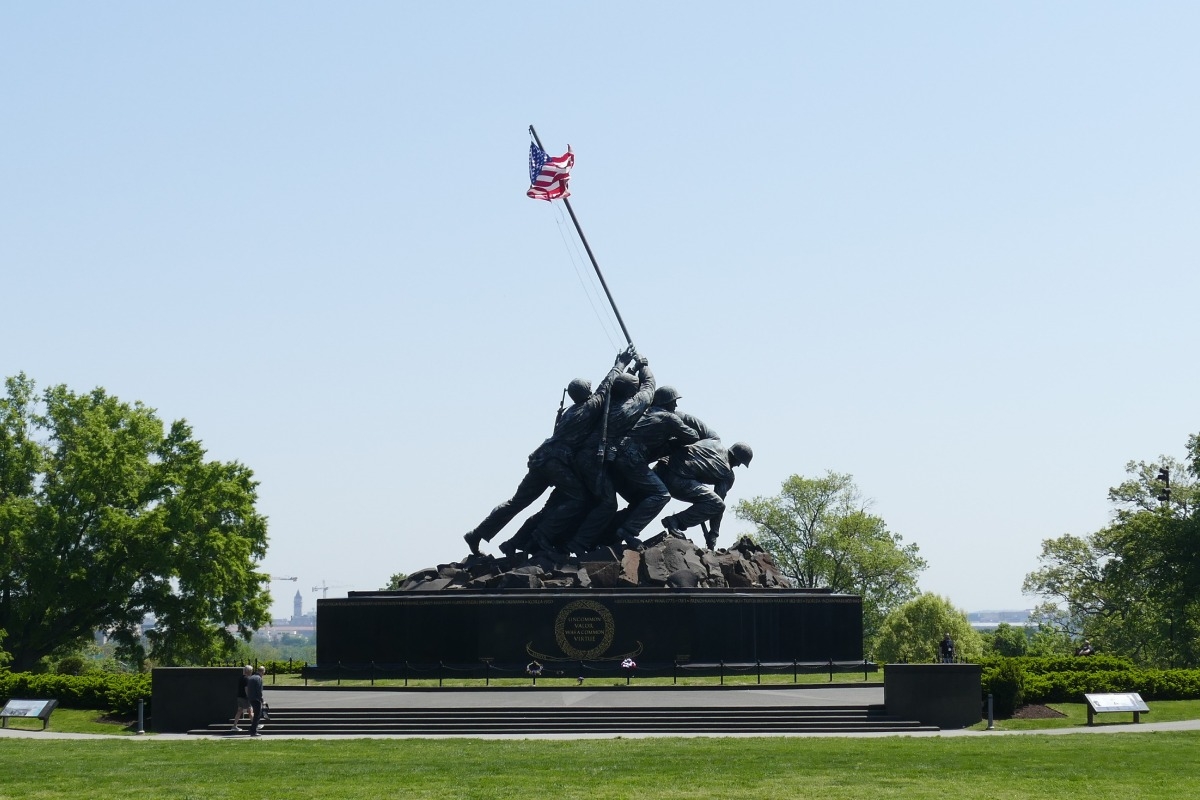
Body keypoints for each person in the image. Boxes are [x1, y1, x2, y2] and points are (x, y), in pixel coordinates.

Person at [463, 346, 635, 556]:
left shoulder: (569, 411)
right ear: (587, 393)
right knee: (578, 498)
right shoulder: (588, 408)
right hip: (557, 461)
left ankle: (477, 533)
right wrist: (620, 363)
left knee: (517, 502)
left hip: (542, 457)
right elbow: (606, 386)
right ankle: (542, 536)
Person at [656, 440, 753, 550]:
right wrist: (713, 534)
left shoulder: (713, 443)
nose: (739, 465)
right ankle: (675, 521)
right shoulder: (727, 474)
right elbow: (717, 504)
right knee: (717, 504)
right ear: (737, 459)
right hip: (676, 479)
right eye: (740, 462)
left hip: (661, 467)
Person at [231, 664, 252, 731]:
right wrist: (249, 697)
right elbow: (246, 689)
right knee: (250, 711)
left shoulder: (241, 678)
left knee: (239, 711)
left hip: (239, 697)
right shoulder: (247, 678)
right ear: (248, 671)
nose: (251, 672)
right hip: (245, 698)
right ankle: (255, 725)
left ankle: (234, 726)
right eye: (251, 671)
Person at [247, 662, 265, 737]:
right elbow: (259, 690)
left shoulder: (251, 677)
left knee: (257, 714)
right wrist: (262, 699)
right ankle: (253, 731)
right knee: (257, 715)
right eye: (264, 672)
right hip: (256, 699)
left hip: (251, 698)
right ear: (262, 671)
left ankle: (252, 728)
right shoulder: (259, 678)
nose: (264, 673)